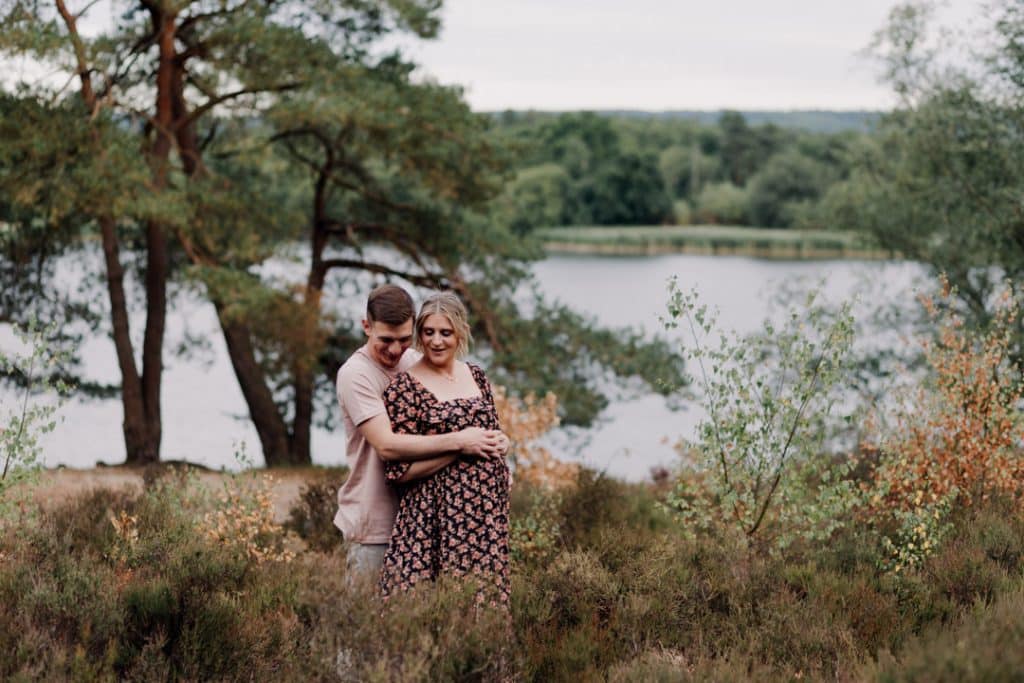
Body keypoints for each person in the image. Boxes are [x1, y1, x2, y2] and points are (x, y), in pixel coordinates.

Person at [334, 284, 507, 577]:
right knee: (367, 620)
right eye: (385, 339)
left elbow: (462, 413)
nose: (395, 349)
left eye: (404, 339)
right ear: (366, 326)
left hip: (426, 521)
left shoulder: (413, 361)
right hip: (374, 524)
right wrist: (461, 443)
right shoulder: (356, 375)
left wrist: (495, 446)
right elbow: (387, 445)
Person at [379, 291, 511, 606]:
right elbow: (399, 471)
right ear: (419, 335)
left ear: (460, 333)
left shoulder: (477, 375)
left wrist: (502, 444)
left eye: (445, 333)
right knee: (429, 612)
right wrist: (460, 447)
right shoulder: (404, 388)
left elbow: (490, 433)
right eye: (429, 332)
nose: (437, 341)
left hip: (485, 516)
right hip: (432, 519)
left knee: (484, 608)